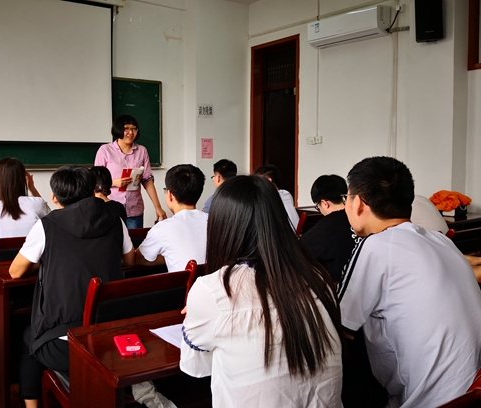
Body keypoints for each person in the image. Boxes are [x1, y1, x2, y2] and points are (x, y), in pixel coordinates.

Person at [180, 175, 343, 408]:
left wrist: (195, 315)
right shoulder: (317, 278)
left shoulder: (213, 289)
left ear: (220, 227)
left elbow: (195, 366)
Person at [338, 156, 481, 408]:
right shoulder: (441, 240)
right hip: (472, 392)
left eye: (346, 198)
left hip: (431, 402)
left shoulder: (375, 246)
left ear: (358, 202)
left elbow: (338, 324)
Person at [9, 165, 134, 408]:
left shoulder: (47, 226)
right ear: (92, 191)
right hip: (112, 335)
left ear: (55, 198)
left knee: (28, 339)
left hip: (65, 345)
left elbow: (15, 271)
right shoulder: (115, 220)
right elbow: (129, 259)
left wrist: (45, 259)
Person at [0, 157, 50, 300]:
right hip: (38, 275)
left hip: (5, 278)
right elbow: (52, 219)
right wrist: (32, 188)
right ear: (22, 179)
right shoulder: (36, 204)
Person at [94, 114, 167, 229]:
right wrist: (113, 182)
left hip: (134, 209)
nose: (131, 132)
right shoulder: (105, 150)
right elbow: (95, 180)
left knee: (134, 239)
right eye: (126, 129)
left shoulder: (142, 151)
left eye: (134, 129)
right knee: (113, 239)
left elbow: (147, 180)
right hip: (110, 208)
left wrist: (157, 207)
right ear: (118, 129)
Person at [136, 164, 207, 271]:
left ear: (169, 194)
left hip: (185, 282)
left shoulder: (162, 228)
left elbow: (139, 259)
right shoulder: (215, 221)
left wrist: (170, 255)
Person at [300, 174, 357, 282]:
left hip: (338, 287)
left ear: (324, 203)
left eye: (317, 207)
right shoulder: (359, 218)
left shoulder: (325, 227)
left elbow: (298, 251)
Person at [254, 164, 300, 230]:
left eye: (259, 181)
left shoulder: (267, 197)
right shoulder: (286, 194)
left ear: (269, 180)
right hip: (295, 234)